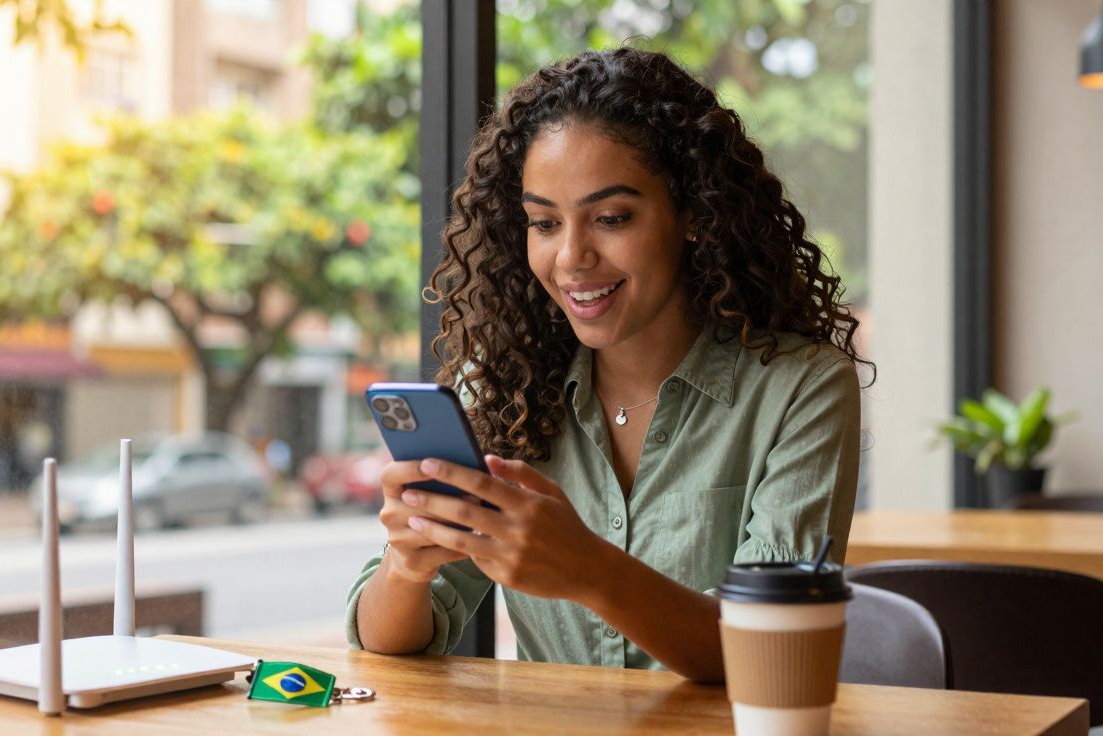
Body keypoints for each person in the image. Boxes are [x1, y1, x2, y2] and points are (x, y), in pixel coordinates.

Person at [344, 47, 870, 682]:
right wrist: (407, 564)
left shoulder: (801, 388)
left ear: (693, 213)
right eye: (544, 223)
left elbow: (773, 647)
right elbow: (385, 645)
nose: (571, 257)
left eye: (612, 218)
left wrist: (588, 569)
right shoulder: (504, 389)